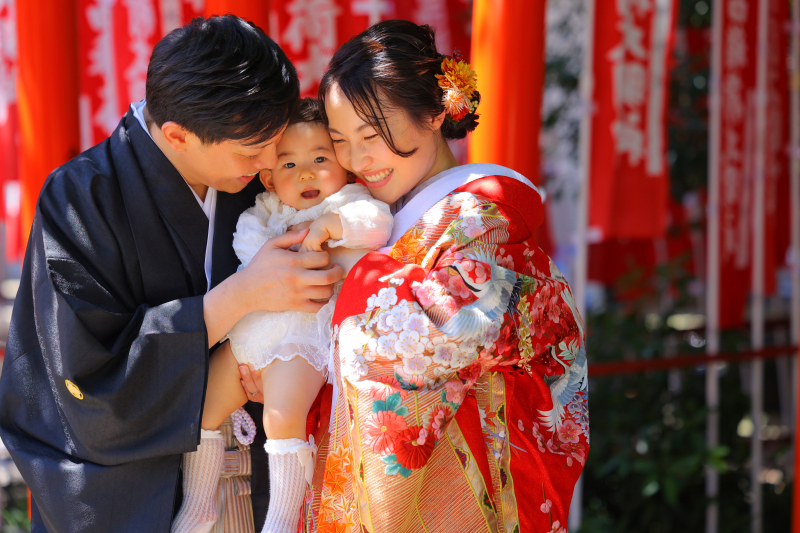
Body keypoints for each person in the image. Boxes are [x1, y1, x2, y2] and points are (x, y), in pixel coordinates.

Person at [0, 16, 343, 533]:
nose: (272, 161)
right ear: (178, 135)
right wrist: (239, 298)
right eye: (253, 152)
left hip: (266, 468)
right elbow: (84, 381)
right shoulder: (82, 198)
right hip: (147, 492)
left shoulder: (257, 171)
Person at [300, 20, 589, 532]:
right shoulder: (386, 217)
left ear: (434, 113)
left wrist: (356, 272)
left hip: (474, 489)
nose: (357, 159)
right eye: (341, 140)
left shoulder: (485, 214)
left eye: (373, 135)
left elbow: (444, 333)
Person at [174, 98, 392, 533]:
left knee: (281, 419)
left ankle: (281, 517)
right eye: (289, 166)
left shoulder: (348, 202)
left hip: (301, 338)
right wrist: (282, 254)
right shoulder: (263, 210)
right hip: (251, 333)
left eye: (319, 158)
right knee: (200, 405)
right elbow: (246, 247)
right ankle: (199, 503)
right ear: (269, 178)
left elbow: (377, 224)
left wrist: (330, 228)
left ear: (344, 165)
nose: (307, 173)